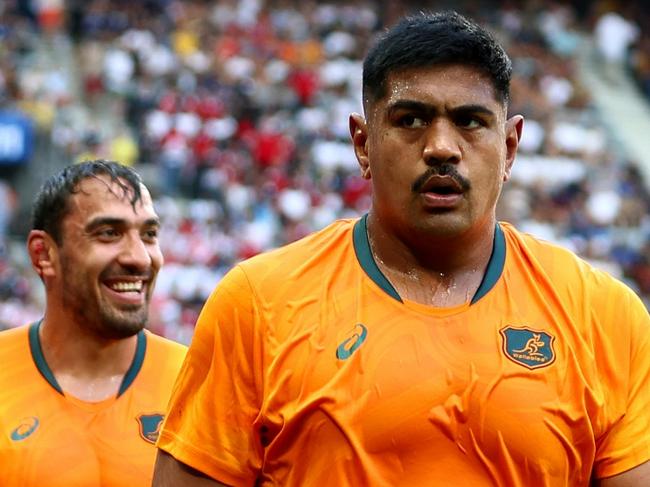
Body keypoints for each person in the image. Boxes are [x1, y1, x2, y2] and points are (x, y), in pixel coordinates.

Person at [153, 11, 649, 487]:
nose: (441, 146)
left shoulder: (605, 317)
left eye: (471, 121)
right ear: (363, 143)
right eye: (411, 119)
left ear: (510, 147)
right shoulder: (257, 305)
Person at [0, 160, 186, 486]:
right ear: (43, 254)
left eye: (149, 234)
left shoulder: (194, 383)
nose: (139, 257)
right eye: (109, 233)